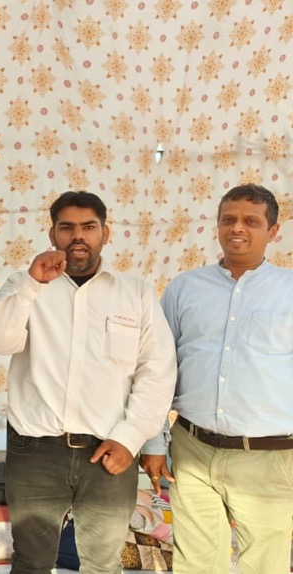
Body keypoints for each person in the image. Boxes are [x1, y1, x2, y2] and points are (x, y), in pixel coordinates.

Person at [0, 191, 176, 573]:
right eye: (67, 227)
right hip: (35, 451)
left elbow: (156, 370)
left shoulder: (134, 293)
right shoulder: (25, 284)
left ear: (106, 233)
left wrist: (131, 437)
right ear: (53, 233)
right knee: (31, 562)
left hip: (109, 451)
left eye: (88, 227)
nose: (78, 236)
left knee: (102, 564)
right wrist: (32, 285)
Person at [140, 184, 293, 574]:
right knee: (196, 563)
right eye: (228, 219)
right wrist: (154, 441)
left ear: (273, 231)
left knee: (265, 564)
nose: (237, 228)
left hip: (269, 457)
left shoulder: (288, 291)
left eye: (251, 221)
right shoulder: (185, 288)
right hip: (193, 449)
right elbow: (159, 367)